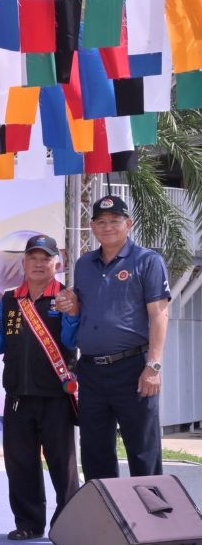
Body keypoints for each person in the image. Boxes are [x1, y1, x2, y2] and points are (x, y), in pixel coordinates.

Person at [55, 195, 171, 480]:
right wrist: (70, 304)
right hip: (91, 370)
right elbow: (82, 308)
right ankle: (103, 508)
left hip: (133, 369)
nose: (107, 227)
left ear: (128, 224)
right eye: (101, 222)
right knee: (94, 452)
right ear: (92, 226)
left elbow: (159, 314)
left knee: (142, 452)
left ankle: (150, 509)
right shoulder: (84, 264)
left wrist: (154, 366)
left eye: (115, 221)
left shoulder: (148, 261)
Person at [0, 235, 80, 540]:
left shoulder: (65, 297)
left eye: (45, 258)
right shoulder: (10, 299)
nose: (38, 264)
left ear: (56, 264)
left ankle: (67, 526)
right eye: (33, 258)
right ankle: (28, 523)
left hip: (56, 397)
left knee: (62, 465)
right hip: (18, 396)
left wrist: (72, 314)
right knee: (20, 464)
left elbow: (72, 342)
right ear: (23, 262)